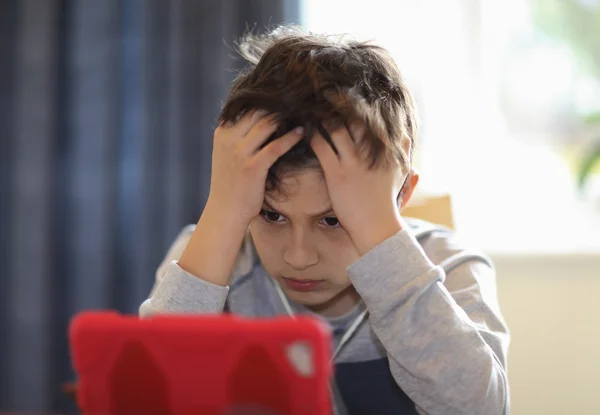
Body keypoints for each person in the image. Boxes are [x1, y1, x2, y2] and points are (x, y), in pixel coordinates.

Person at [140, 25, 510, 415]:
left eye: (332, 221)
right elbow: (144, 400)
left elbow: (480, 408)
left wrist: (382, 238)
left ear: (400, 196)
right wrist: (222, 213)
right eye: (271, 215)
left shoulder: (449, 268)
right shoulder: (209, 261)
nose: (299, 258)